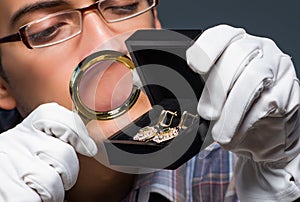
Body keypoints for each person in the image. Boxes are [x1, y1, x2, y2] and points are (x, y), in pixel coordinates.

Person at [0, 0, 299, 202]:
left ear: (155, 23)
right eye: (47, 29)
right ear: (2, 84)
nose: (102, 44)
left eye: (123, 6)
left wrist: (287, 166)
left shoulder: (246, 163)